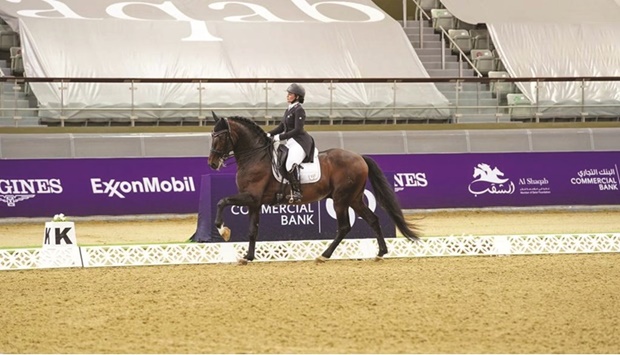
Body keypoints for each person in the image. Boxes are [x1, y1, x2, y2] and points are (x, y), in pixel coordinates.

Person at [267, 83, 315, 203]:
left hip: (301, 142)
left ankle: (297, 191)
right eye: (288, 94)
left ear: (297, 97)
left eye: (290, 94)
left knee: (290, 164)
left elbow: (297, 130)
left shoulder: (299, 110)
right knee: (279, 160)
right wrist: (268, 134)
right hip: (291, 141)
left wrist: (281, 137)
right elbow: (281, 127)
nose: (288, 96)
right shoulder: (289, 109)